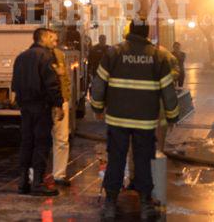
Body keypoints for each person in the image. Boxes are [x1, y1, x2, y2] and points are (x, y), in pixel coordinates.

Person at [91, 20, 179, 220]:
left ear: (130, 31)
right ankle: (146, 204)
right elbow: (168, 91)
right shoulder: (157, 56)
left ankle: (110, 204)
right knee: (142, 161)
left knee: (116, 159)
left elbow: (98, 84)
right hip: (145, 121)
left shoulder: (114, 53)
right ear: (147, 33)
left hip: (117, 119)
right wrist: (173, 115)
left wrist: (97, 107)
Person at [11, 28, 63, 197]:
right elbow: (51, 84)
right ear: (44, 38)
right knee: (41, 144)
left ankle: (23, 181)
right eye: (51, 38)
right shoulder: (46, 57)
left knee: (27, 142)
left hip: (25, 107)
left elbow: (15, 84)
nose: (53, 41)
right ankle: (38, 183)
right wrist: (58, 104)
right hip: (41, 107)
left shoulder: (21, 57)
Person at [50, 34, 72, 187]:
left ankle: (59, 174)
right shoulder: (36, 56)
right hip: (49, 103)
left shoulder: (58, 55)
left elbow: (64, 78)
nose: (56, 42)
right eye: (52, 39)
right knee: (56, 139)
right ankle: (37, 175)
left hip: (59, 101)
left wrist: (66, 96)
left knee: (62, 139)